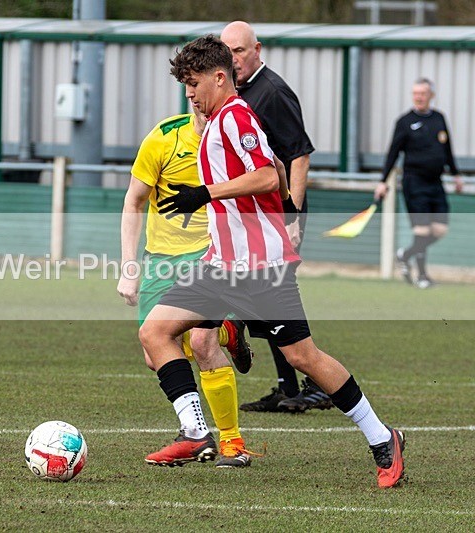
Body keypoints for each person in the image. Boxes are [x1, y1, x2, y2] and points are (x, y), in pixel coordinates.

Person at [140, 35, 405, 488]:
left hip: (262, 268)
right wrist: (284, 207)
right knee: (155, 332)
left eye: (194, 84)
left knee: (302, 356)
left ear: (219, 77)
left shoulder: (235, 116)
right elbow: (276, 171)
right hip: (222, 264)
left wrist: (205, 194)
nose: (190, 95)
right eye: (185, 87)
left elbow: (264, 173)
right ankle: (197, 432)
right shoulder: (218, 119)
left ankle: (383, 438)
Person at [117, 107, 256, 467]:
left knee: (201, 341)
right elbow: (134, 200)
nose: (197, 98)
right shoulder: (164, 137)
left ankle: (230, 442)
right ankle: (228, 333)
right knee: (154, 352)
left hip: (210, 253)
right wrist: (129, 266)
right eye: (190, 87)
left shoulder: (235, 138)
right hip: (160, 259)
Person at [220, 21, 331, 414]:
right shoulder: (238, 92)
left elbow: (299, 156)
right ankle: (289, 386)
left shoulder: (272, 91)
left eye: (239, 51)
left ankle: (318, 385)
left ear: (257, 49)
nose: (233, 59)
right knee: (265, 302)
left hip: (278, 216)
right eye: (227, 52)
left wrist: (292, 216)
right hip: (254, 216)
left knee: (276, 302)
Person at [375, 77, 463, 289]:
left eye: (422, 93)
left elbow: (447, 149)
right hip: (414, 183)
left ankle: (405, 255)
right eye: (415, 93)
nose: (418, 97)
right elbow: (393, 153)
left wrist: (456, 174)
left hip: (436, 183)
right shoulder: (405, 122)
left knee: (440, 230)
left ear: (431, 95)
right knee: (422, 231)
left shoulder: (439, 118)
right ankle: (422, 276)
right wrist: (383, 181)